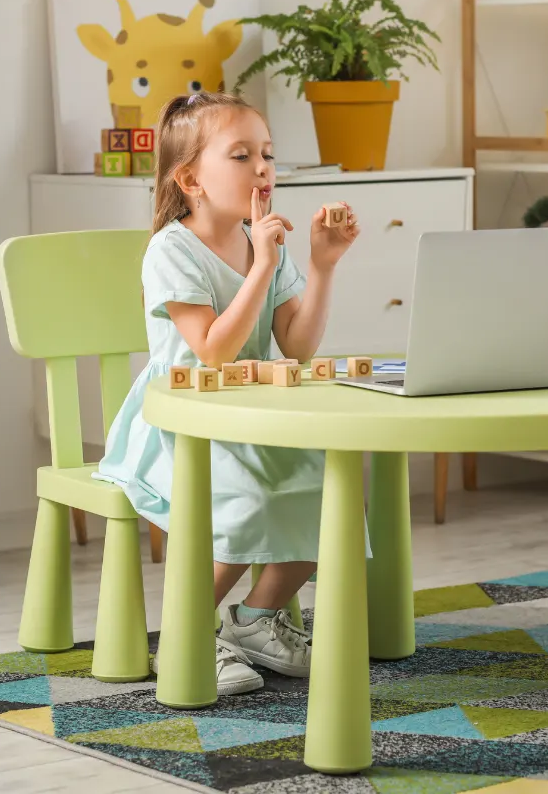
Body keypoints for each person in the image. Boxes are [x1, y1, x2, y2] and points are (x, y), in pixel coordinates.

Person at [95, 92, 361, 695]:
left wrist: (321, 266)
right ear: (190, 178)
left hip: (255, 416)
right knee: (246, 498)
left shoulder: (260, 241)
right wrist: (263, 267)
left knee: (330, 495)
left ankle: (255, 620)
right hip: (181, 422)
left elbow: (296, 346)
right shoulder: (172, 249)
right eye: (242, 155)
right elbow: (213, 349)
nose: (262, 168)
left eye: (267, 155)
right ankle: (189, 632)